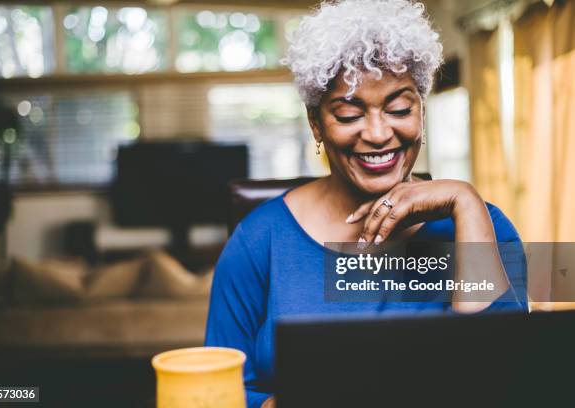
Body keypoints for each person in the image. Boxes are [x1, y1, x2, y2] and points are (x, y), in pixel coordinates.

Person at [205, 1, 527, 407]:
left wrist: (466, 202)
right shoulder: (258, 242)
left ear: (422, 113)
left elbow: (508, 378)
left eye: (399, 109)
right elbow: (217, 394)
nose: (377, 134)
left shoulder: (483, 227)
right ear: (316, 123)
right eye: (348, 114)